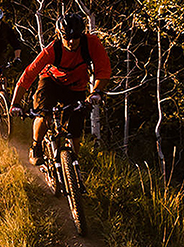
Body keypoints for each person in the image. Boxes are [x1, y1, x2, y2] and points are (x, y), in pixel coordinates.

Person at [10, 13, 111, 165]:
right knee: (43, 115)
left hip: (76, 86)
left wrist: (96, 92)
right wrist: (15, 103)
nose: (71, 42)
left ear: (81, 34)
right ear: (59, 34)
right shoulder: (51, 50)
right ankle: (36, 146)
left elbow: (103, 70)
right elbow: (29, 75)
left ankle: (73, 168)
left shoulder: (91, 43)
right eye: (66, 37)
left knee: (75, 131)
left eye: (76, 37)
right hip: (51, 82)